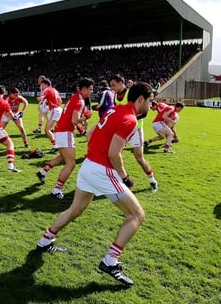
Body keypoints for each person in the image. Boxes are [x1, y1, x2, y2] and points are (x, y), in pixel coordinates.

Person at [35, 81, 155, 287]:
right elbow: (114, 153)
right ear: (141, 99)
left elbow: (90, 134)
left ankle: (45, 240)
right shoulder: (130, 119)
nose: (151, 106)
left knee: (75, 209)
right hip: (101, 169)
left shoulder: (115, 109)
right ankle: (110, 261)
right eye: (150, 101)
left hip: (89, 165)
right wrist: (125, 178)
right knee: (136, 215)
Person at [35, 78, 94, 199]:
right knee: (71, 163)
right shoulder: (80, 101)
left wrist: (79, 128)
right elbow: (74, 120)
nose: (92, 92)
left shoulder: (74, 97)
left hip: (61, 130)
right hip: (65, 132)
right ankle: (57, 190)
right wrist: (85, 117)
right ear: (84, 89)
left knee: (63, 157)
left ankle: (43, 171)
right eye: (91, 89)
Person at [109, 74, 159, 191]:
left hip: (135, 129)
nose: (112, 88)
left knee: (139, 158)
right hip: (122, 129)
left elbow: (144, 112)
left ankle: (152, 180)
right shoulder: (115, 96)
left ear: (121, 83)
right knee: (115, 154)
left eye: (113, 85)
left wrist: (129, 119)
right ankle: (120, 180)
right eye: (111, 85)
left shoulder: (131, 93)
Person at [39, 78, 62, 149]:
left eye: (42, 85)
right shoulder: (54, 90)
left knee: (47, 130)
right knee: (59, 128)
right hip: (59, 109)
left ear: (46, 84)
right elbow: (60, 100)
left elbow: (42, 97)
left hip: (55, 110)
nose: (41, 87)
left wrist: (40, 99)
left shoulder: (47, 89)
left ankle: (55, 145)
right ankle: (60, 144)